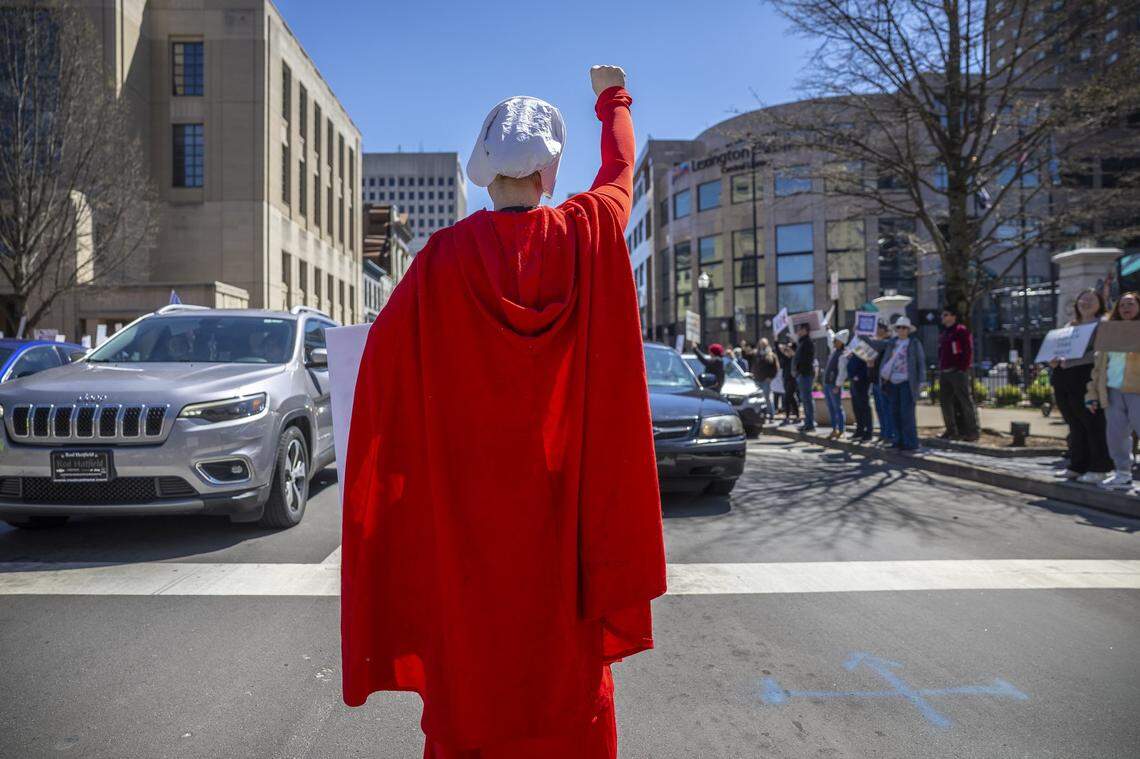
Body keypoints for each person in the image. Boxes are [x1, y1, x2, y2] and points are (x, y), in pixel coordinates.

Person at [341, 66, 667, 759]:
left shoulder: (438, 263)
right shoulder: (588, 233)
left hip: (469, 524)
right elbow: (619, 167)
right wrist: (615, 97)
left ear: (482, 173)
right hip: (562, 518)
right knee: (564, 676)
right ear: (549, 174)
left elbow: (378, 375)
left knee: (473, 672)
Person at [1050, 288, 1113, 484]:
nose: (1085, 302)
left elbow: (1101, 352)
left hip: (1086, 375)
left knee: (1092, 423)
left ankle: (1100, 467)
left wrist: (1073, 357)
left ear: (1100, 303)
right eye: (1082, 299)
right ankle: (1077, 465)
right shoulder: (1070, 326)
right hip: (1064, 375)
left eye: (1090, 299)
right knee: (1074, 423)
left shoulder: (1102, 324)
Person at [1086, 291, 1140, 491]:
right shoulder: (1109, 331)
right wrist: (1092, 395)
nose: (1126, 308)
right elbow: (1098, 368)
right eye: (1123, 305)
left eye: (1131, 304)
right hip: (1112, 390)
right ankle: (1122, 473)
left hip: (1137, 390)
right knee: (1116, 435)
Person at [879, 316, 926, 451]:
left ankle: (910, 442)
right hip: (893, 381)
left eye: (904, 328)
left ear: (908, 330)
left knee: (907, 413)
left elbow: (920, 362)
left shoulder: (914, 343)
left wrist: (922, 381)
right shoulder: (892, 343)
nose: (901, 330)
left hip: (907, 382)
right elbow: (877, 346)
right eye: (899, 328)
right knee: (895, 412)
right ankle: (898, 440)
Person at [936, 306, 979, 441]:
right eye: (942, 315)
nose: (943, 317)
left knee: (965, 400)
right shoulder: (944, 332)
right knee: (945, 402)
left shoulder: (960, 330)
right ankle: (951, 430)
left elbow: (967, 350)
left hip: (957, 371)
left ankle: (972, 431)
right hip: (945, 372)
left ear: (953, 317)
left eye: (946, 314)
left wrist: (962, 368)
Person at [868, 321, 894, 444]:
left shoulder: (888, 342)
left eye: (878, 328)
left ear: (884, 330)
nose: (876, 331)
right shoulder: (876, 344)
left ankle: (889, 434)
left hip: (883, 381)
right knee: (879, 409)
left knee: (886, 409)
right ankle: (884, 433)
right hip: (875, 381)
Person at [823, 329, 850, 439]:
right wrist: (828, 329)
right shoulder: (834, 351)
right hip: (828, 383)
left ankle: (841, 429)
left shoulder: (843, 355)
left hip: (834, 385)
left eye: (836, 340)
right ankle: (834, 429)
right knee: (831, 407)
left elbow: (842, 372)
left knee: (837, 407)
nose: (834, 342)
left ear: (841, 342)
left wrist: (838, 385)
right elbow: (830, 339)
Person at [848, 340, 873, 442]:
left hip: (861, 382)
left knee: (864, 407)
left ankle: (868, 432)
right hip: (854, 381)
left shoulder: (865, 346)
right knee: (856, 407)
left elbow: (866, 365)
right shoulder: (856, 344)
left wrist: (858, 376)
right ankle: (860, 430)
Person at [793, 322, 816, 431]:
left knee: (807, 399)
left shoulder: (808, 343)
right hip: (802, 374)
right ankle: (808, 422)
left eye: (799, 329)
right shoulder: (802, 342)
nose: (797, 331)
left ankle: (810, 423)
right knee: (804, 399)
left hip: (805, 374)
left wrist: (799, 369)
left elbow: (806, 360)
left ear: (805, 330)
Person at [752, 338, 779, 421]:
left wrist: (771, 377)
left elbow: (775, 368)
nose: (762, 345)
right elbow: (753, 366)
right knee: (758, 398)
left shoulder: (771, 355)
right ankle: (761, 414)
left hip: (766, 380)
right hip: (757, 379)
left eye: (764, 344)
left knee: (767, 397)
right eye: (761, 344)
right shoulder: (756, 354)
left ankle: (771, 414)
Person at [777, 337, 800, 424]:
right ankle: (796, 416)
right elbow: (779, 353)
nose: (787, 351)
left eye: (789, 349)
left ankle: (787, 416)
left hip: (792, 380)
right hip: (786, 380)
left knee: (787, 398)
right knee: (791, 399)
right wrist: (776, 340)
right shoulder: (786, 359)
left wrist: (793, 340)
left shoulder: (795, 358)